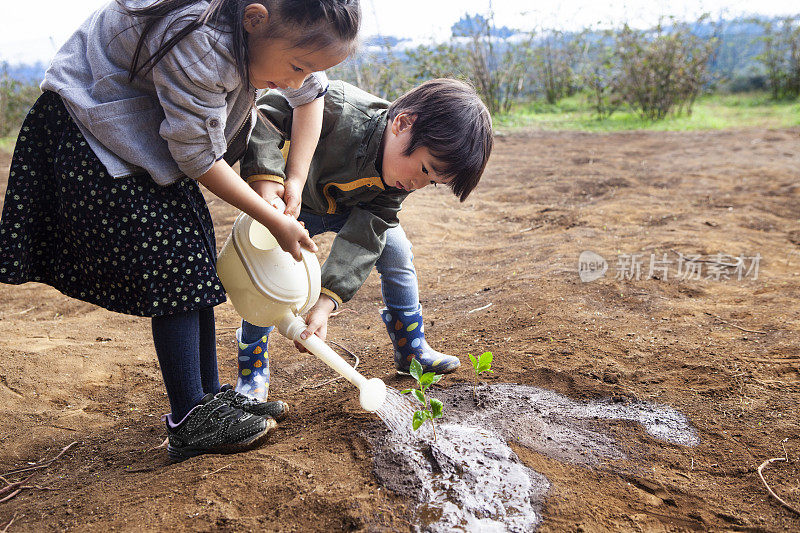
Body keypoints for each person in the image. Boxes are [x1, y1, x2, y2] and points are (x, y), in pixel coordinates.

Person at [0, 0, 361, 461]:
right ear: (254, 20)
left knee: (194, 253)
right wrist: (272, 218)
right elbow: (196, 157)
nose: (294, 80)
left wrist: (292, 180)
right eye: (295, 67)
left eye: (308, 69)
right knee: (175, 262)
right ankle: (189, 416)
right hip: (89, 128)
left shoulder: (288, 35)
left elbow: (311, 97)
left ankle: (208, 397)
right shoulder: (203, 42)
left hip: (139, 133)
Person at [233, 78, 493, 401]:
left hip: (347, 209)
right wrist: (268, 186)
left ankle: (411, 349)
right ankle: (251, 364)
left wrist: (325, 303)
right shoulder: (337, 108)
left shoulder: (398, 183)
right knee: (271, 272)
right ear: (402, 124)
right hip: (291, 204)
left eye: (433, 182)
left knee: (396, 249)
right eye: (424, 169)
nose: (417, 184)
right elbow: (267, 113)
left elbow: (365, 237)